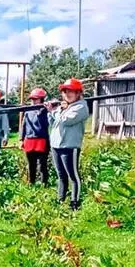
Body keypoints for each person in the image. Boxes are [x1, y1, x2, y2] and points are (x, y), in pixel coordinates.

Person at [46, 78, 89, 211]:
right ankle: (60, 200)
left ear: (78, 93)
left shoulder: (81, 107)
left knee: (73, 176)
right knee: (61, 175)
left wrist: (54, 111)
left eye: (71, 92)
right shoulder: (64, 107)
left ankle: (74, 203)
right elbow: (54, 124)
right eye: (65, 92)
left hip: (70, 146)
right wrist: (52, 112)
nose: (67, 95)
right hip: (56, 145)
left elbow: (66, 121)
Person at [20, 88, 50, 186]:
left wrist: (43, 111)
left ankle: (44, 184)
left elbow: (47, 124)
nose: (33, 101)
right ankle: (31, 183)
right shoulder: (28, 111)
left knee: (42, 165)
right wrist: (21, 139)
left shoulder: (45, 110)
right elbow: (24, 125)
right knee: (31, 164)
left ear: (41, 99)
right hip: (29, 140)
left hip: (42, 140)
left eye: (36, 99)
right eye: (32, 99)